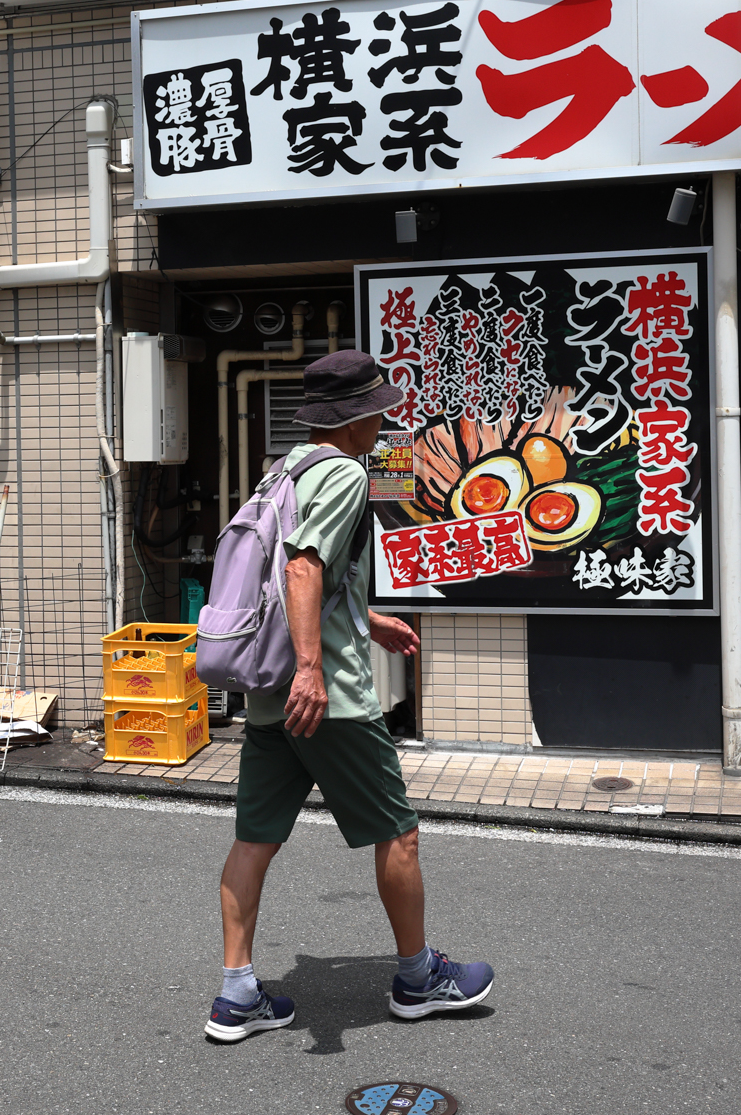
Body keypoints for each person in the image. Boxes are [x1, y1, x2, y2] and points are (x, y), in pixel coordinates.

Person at [205, 349, 494, 1043]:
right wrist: (313, 667)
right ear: (356, 417)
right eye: (377, 410)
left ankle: (237, 995)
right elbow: (303, 570)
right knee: (399, 834)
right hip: (327, 697)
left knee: (254, 840)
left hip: (271, 693)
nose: (383, 420)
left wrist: (366, 618)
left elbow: (296, 576)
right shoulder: (343, 473)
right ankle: (419, 980)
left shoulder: (286, 469)